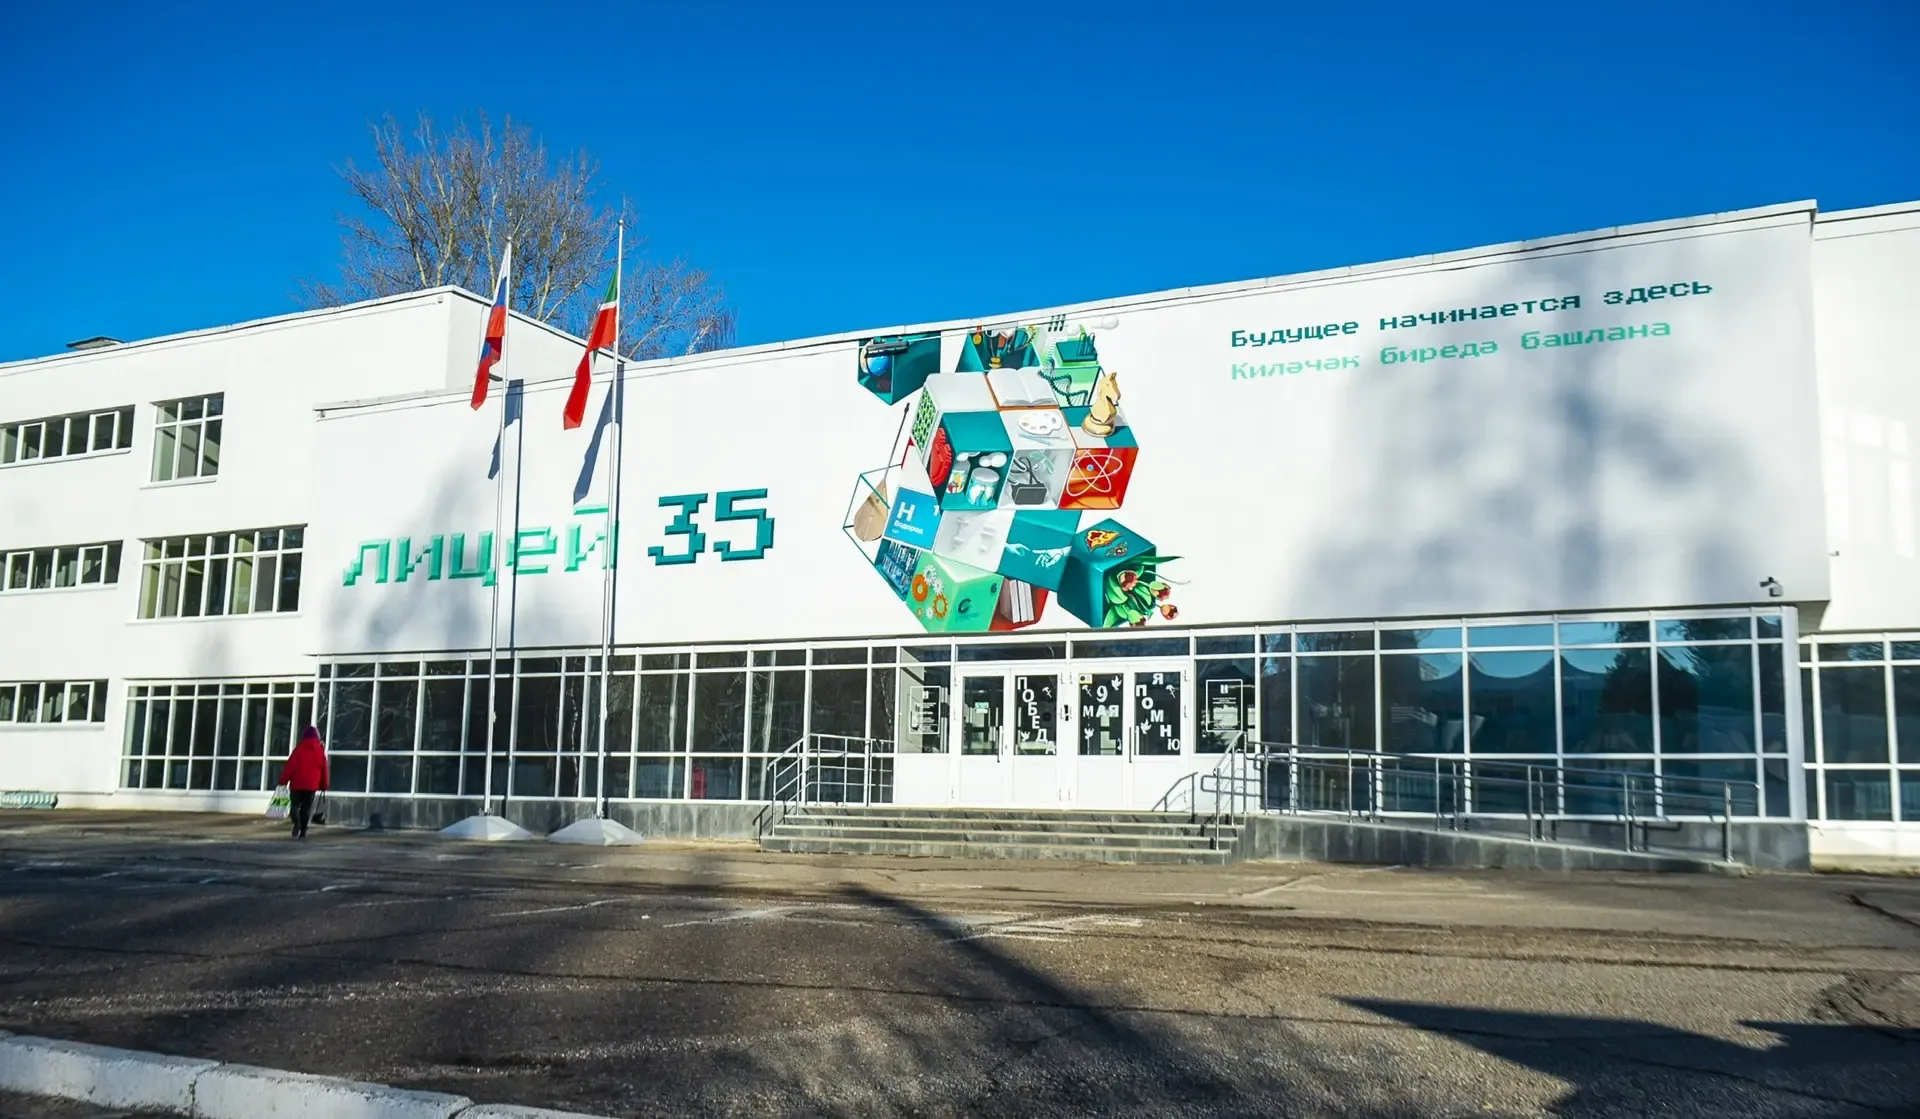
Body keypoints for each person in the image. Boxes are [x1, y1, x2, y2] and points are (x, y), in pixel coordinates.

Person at [281, 726, 330, 839]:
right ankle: (303, 832)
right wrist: (324, 785)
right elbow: (324, 769)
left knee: (294, 806)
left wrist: (283, 780)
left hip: (297, 784)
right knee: (306, 809)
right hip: (311, 786)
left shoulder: (298, 749)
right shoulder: (319, 751)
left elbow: (290, 766)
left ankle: (296, 822)